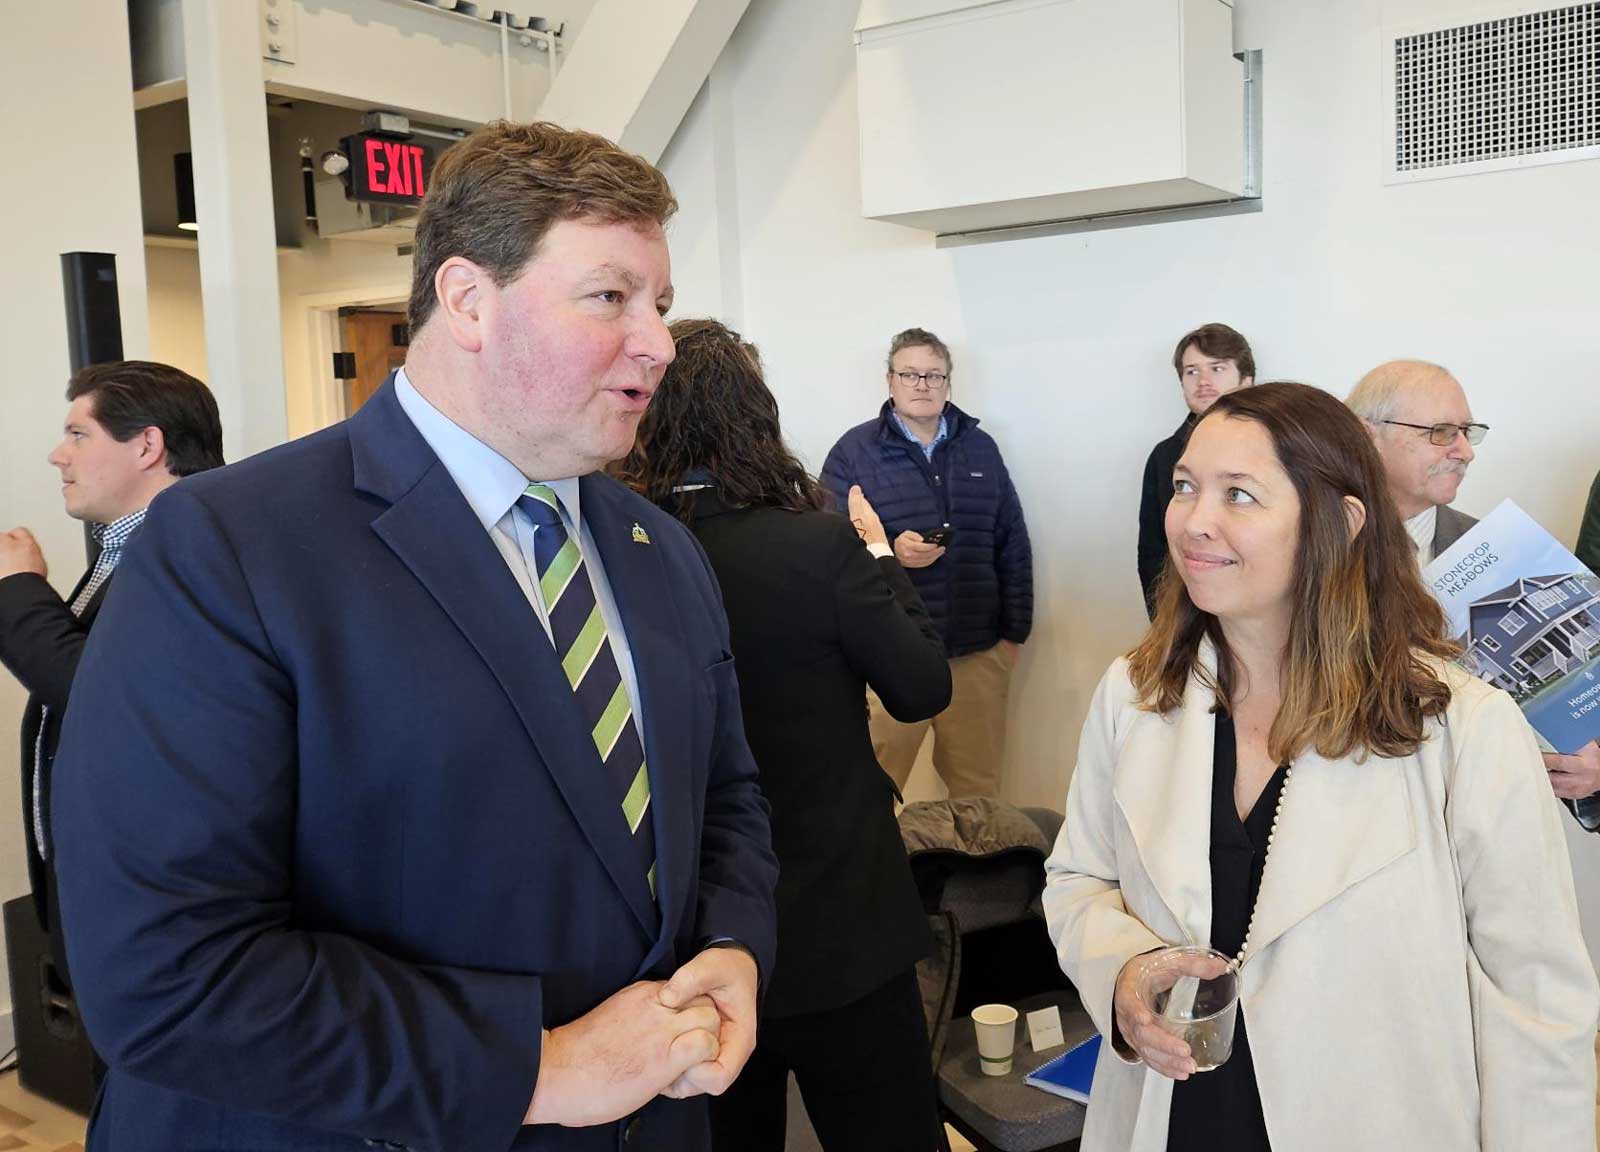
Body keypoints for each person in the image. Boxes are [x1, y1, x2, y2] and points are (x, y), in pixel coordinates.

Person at [51, 121, 778, 1152]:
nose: (659, 340)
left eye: (657, 303)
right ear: (470, 302)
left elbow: (726, 795)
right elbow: (168, 969)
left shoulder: (655, 545)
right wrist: (540, 1065)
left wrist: (734, 946)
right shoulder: (229, 546)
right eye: (610, 297)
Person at [1044, 382, 1597, 1152]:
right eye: (1184, 487)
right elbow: (1078, 879)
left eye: (1239, 494)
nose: (1194, 522)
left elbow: (1536, 1004)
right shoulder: (1135, 697)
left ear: (1340, 523)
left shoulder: (1464, 729)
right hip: (1175, 1117)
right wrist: (1126, 972)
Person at [616, 318, 951, 1152]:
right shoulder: (818, 546)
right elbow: (920, 688)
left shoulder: (617, 551)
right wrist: (876, 552)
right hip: (843, 912)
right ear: (756, 420)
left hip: (691, 931)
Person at [0, 360, 223, 980]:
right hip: (113, 895)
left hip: (160, 907)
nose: (56, 455)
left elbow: (105, 695)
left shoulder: (195, 549)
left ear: (148, 445)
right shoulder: (129, 547)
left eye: (78, 435)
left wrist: (17, 592)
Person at [1348, 361, 1600, 825]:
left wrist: (1592, 767)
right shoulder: (1298, 547)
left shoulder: (1500, 554)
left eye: (1467, 432)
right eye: (1442, 432)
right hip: (1343, 815)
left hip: (1467, 825)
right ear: (1367, 437)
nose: (1465, 452)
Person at [820, 327, 1031, 799]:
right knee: (875, 791)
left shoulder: (981, 448)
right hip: (890, 651)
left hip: (976, 654)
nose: (922, 384)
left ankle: (976, 874)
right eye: (910, 373)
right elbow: (828, 547)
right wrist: (890, 552)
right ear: (889, 381)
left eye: (933, 375)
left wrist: (1013, 636)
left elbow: (1011, 541)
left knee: (977, 795)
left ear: (948, 383)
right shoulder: (853, 453)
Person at [1138, 324, 1255, 616]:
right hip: (1190, 614)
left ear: (1247, 381)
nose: (1203, 381)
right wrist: (1166, 622)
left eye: (1217, 368)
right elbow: (1153, 555)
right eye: (1191, 371)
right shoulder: (1164, 456)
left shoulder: (1283, 448)